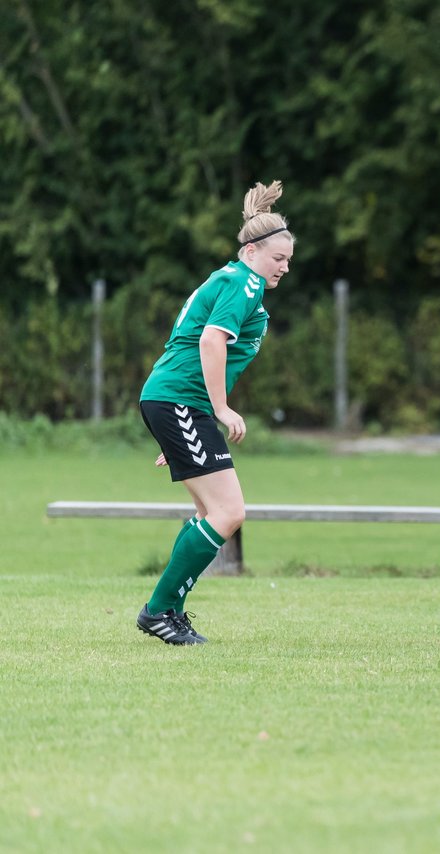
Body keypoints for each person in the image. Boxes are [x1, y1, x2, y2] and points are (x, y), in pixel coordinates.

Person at [135, 181, 295, 645]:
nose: (284, 267)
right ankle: (160, 609)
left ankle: (171, 611)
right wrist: (221, 410)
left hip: (178, 404)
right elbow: (209, 341)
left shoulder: (239, 284)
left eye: (288, 260)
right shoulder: (242, 282)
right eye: (277, 258)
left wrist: (183, 433)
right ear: (251, 252)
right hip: (181, 400)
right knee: (229, 512)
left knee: (211, 511)